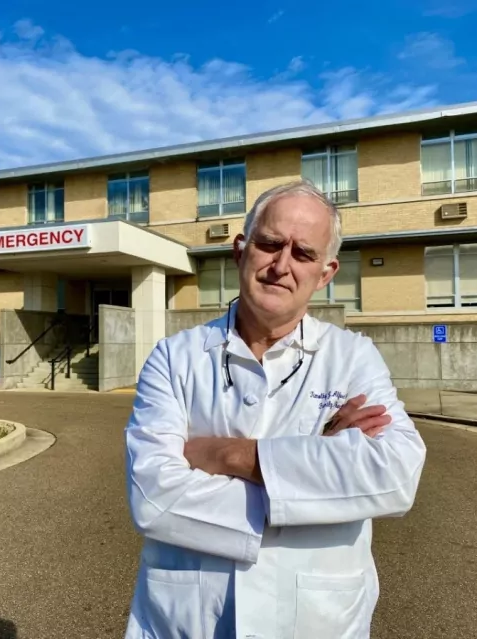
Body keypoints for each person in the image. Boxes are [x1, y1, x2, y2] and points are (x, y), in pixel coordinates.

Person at [123, 180, 427, 639]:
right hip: (188, 619)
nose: (281, 265)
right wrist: (317, 466)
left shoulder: (352, 358)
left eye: (303, 253)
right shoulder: (174, 357)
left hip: (319, 621)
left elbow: (396, 475)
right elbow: (153, 499)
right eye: (269, 244)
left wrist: (227, 455)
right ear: (240, 251)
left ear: (325, 273)